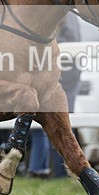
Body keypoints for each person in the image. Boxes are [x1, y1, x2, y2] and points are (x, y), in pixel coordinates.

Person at [26, 12, 82, 178]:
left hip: (63, 74)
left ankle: (54, 172)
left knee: (58, 125)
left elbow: (70, 42)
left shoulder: (65, 14)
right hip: (49, 72)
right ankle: (41, 169)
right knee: (41, 125)